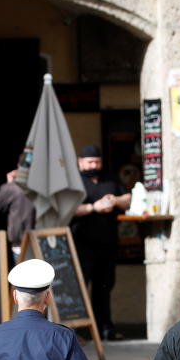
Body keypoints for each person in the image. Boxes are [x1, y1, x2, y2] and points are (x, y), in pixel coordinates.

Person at [70, 144, 129, 340]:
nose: (94, 165)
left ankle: (105, 329)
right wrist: (93, 208)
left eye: (97, 161)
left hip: (108, 243)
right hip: (81, 244)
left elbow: (128, 198)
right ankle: (75, 330)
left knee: (104, 288)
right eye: (90, 162)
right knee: (79, 288)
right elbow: (68, 209)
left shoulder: (109, 178)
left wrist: (116, 201)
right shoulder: (74, 181)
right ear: (80, 162)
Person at [0, 167, 36, 257]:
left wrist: (9, 184)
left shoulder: (13, 188)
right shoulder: (43, 185)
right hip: (43, 238)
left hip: (21, 242)